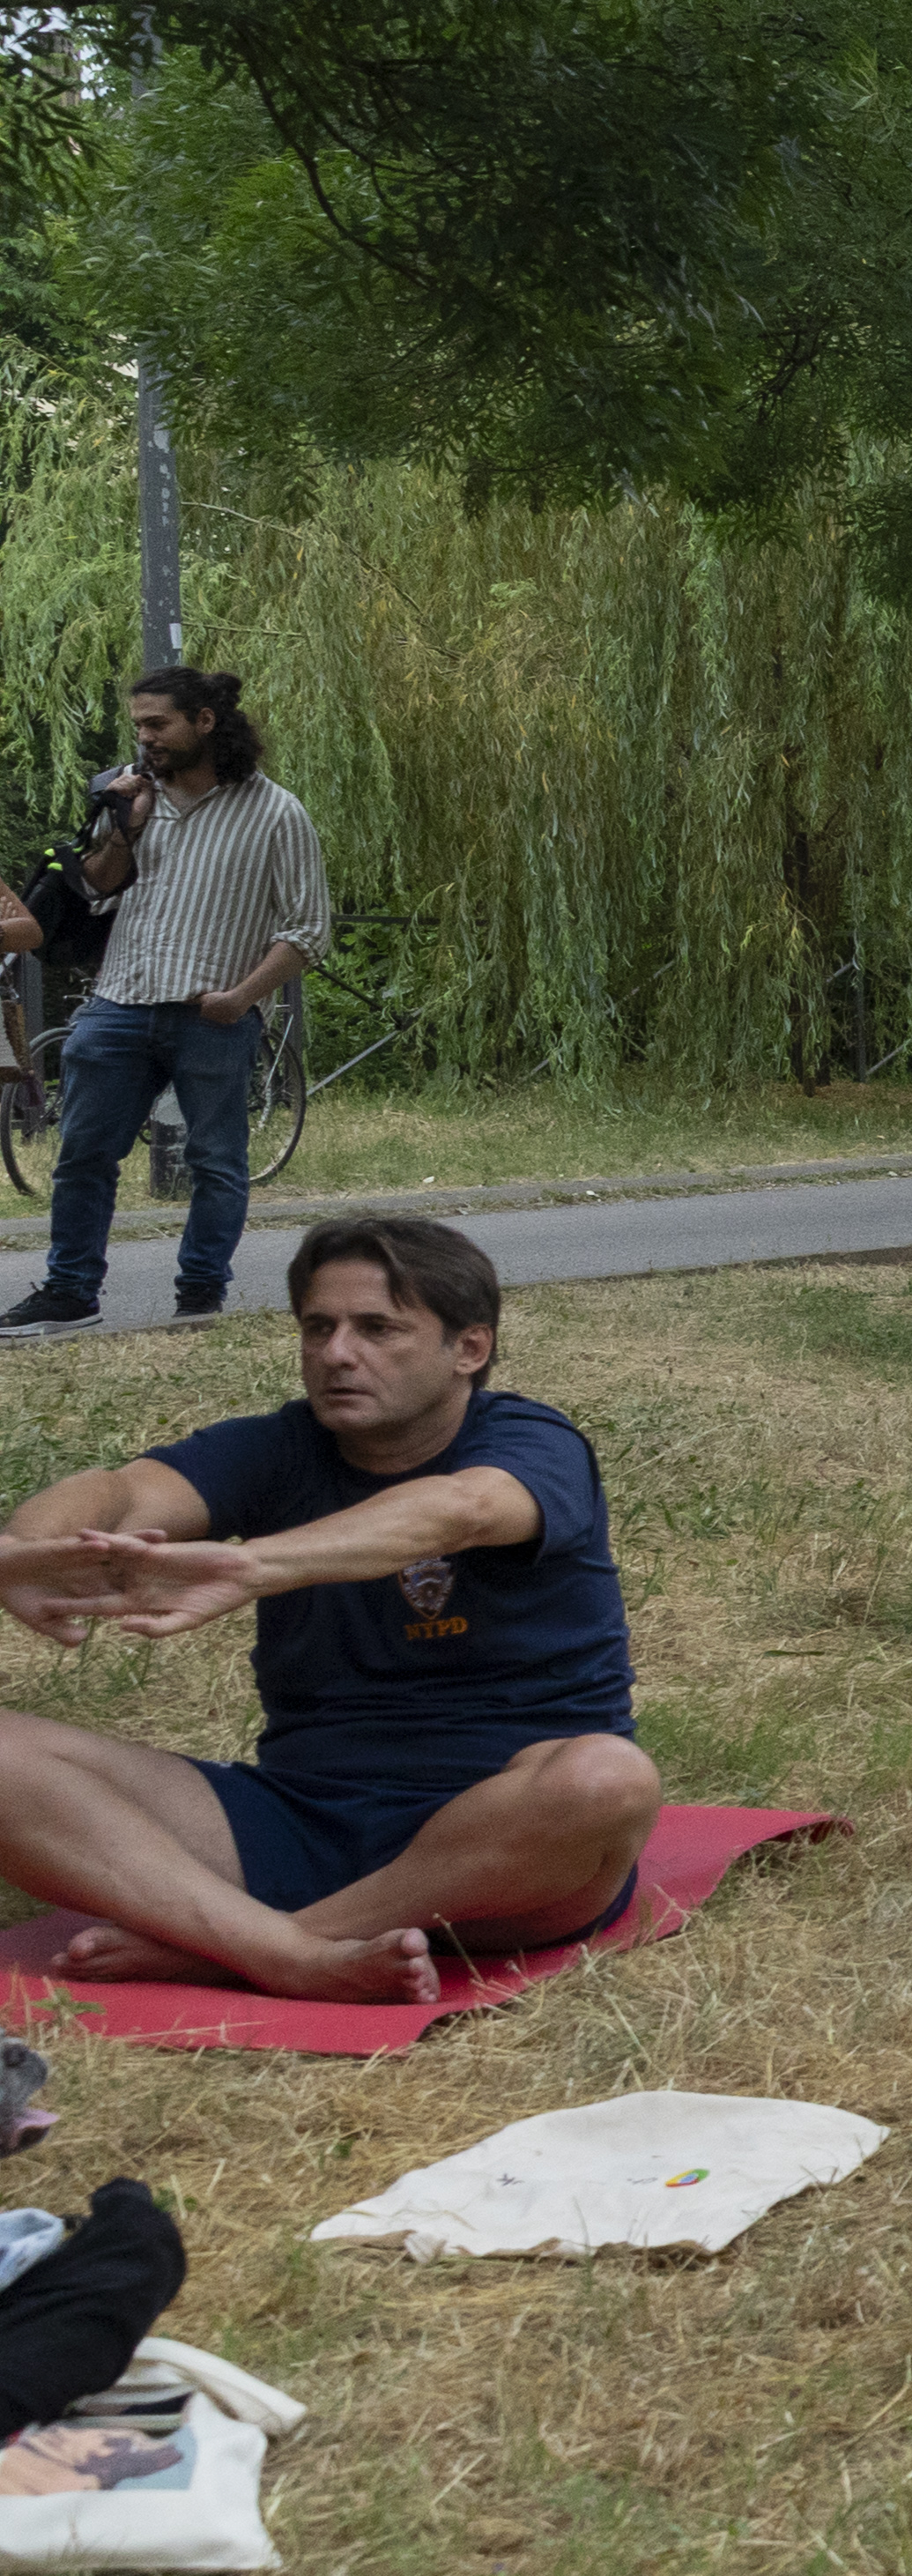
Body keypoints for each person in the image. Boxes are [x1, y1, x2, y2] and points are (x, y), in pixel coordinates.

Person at [0, 1216, 657, 2000]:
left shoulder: (530, 1443)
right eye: (319, 1328)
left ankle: (247, 1948)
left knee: (608, 1780)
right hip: (299, 1817)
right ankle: (284, 1949)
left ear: (468, 1350)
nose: (337, 1354)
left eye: (377, 1328)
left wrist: (253, 1567)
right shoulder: (279, 1445)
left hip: (506, 1849)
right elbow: (122, 1490)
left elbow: (458, 1510)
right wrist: (25, 1550)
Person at [4, 666, 333, 1333]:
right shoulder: (135, 798)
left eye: (158, 725)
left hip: (212, 1014)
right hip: (117, 1003)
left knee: (216, 1162)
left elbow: (307, 929)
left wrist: (242, 998)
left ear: (205, 722)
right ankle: (70, 1293)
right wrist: (124, 828)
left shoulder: (276, 812)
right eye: (139, 727)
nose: (145, 739)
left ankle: (199, 1296)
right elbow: (96, 889)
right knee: (84, 1154)